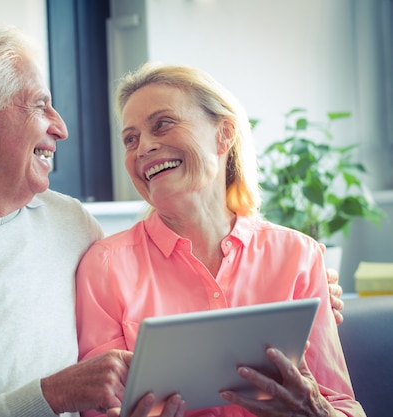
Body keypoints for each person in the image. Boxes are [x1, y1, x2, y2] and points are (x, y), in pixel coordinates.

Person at [0, 21, 345, 417]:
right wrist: (48, 396)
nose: (62, 128)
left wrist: (315, 290)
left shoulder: (69, 223)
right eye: (41, 105)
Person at [75, 63, 364, 417]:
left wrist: (316, 413)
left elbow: (344, 406)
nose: (143, 148)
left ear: (223, 134)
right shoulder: (105, 267)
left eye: (162, 123)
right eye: (130, 139)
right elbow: (99, 410)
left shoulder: (298, 255)